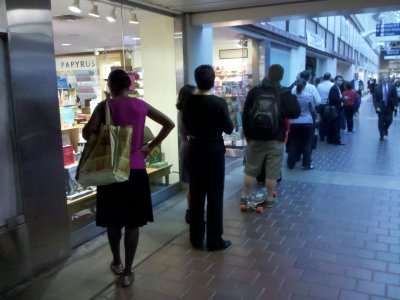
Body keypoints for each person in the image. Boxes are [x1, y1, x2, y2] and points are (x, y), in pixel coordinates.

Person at [82, 70, 175, 287]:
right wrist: (149, 147)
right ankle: (128, 272)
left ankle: (116, 261)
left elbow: (87, 133)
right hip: (136, 170)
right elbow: (168, 123)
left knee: (113, 221)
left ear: (110, 86)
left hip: (111, 171)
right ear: (128, 86)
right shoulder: (141, 106)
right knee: (133, 223)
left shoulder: (105, 106)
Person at [182, 65, 234, 251]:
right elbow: (229, 128)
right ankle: (214, 239)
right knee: (215, 195)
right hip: (213, 150)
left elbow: (186, 125)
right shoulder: (219, 103)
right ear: (213, 81)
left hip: (195, 149)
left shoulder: (188, 101)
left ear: (197, 80)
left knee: (196, 194)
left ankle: (196, 238)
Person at [241, 64, 300, 208]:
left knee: (251, 168)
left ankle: (245, 195)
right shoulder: (284, 93)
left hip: (255, 137)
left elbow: (245, 114)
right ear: (282, 77)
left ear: (268, 73)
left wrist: (248, 135)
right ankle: (269, 198)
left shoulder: (255, 91)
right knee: (272, 170)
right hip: (276, 138)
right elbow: (296, 112)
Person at [176, 84, 196, 224]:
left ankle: (191, 212)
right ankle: (193, 213)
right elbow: (190, 134)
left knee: (192, 185)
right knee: (195, 185)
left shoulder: (181, 111)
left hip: (186, 148)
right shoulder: (189, 113)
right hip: (191, 149)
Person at [287, 78, 315, 170]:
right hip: (307, 122)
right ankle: (306, 164)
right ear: (304, 86)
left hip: (293, 122)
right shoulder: (308, 96)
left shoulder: (291, 95)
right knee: (307, 143)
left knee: (293, 142)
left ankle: (291, 163)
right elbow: (312, 109)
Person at [373, 74, 398, 141]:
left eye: (386, 78)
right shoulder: (377, 88)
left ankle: (385, 128)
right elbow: (375, 99)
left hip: (389, 106)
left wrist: (395, 105)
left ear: (388, 79)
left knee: (389, 120)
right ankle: (381, 135)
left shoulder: (392, 86)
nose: (385, 79)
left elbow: (395, 97)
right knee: (381, 121)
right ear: (381, 79)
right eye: (383, 78)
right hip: (381, 107)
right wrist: (377, 107)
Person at [327, 75, 349, 145]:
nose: (340, 82)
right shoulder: (334, 88)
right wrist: (343, 99)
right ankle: (336, 140)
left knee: (334, 124)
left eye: (341, 80)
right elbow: (334, 99)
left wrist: (342, 98)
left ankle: (332, 139)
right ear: (335, 81)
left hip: (337, 108)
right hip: (335, 109)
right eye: (339, 80)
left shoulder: (337, 88)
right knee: (336, 125)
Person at [317, 73, 334, 142]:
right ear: (330, 77)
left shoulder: (319, 85)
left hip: (321, 104)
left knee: (322, 120)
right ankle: (328, 135)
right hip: (328, 105)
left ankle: (322, 136)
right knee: (329, 120)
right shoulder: (332, 85)